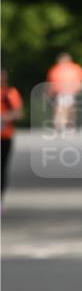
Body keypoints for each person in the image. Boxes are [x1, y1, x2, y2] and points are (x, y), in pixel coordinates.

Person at [46, 52, 82, 132]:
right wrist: (50, 92)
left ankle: (66, 124)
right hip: (59, 92)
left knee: (67, 108)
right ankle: (62, 124)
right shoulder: (55, 69)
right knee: (62, 108)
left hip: (71, 91)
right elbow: (50, 82)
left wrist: (79, 88)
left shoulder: (75, 68)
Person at [1, 68, 23, 201]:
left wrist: (3, 118)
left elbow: (18, 113)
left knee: (1, 169)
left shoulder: (10, 93)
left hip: (4, 137)